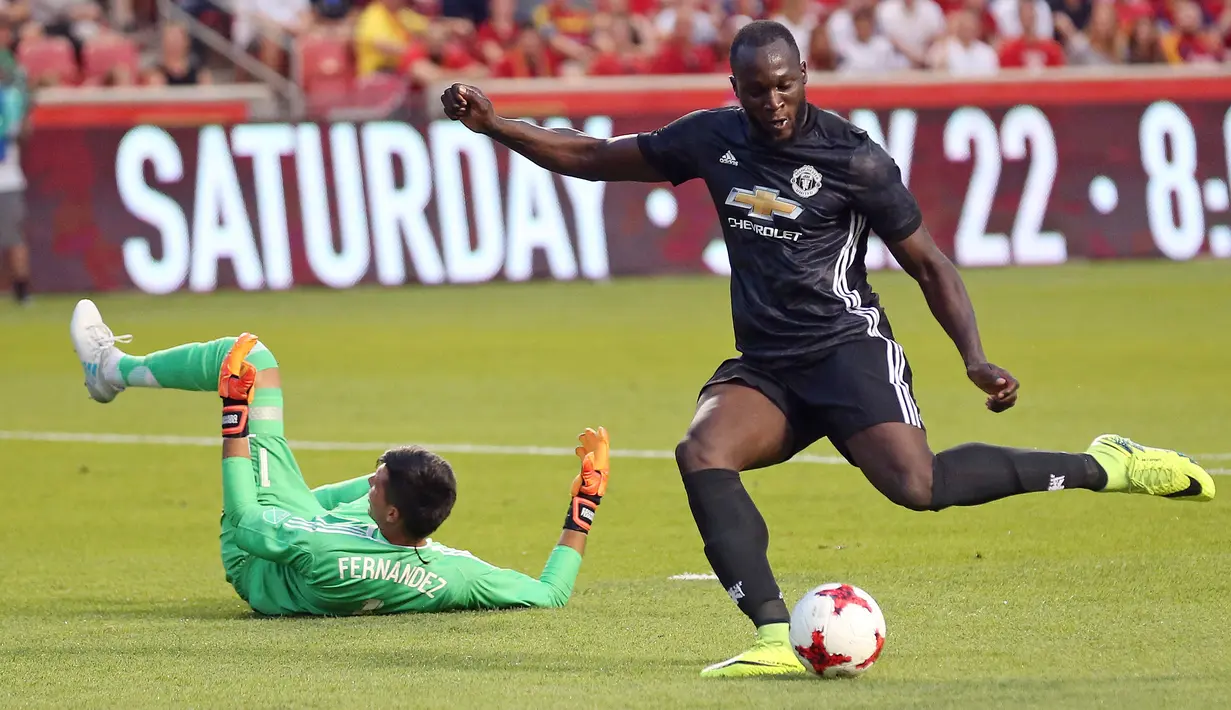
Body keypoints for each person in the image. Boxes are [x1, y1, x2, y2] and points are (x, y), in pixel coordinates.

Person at [439, 19, 1216, 678]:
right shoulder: (712, 138)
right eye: (755, 90)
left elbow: (928, 264)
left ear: (804, 75)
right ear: (734, 86)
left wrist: (973, 357)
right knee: (702, 451)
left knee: (919, 487)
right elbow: (591, 157)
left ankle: (1104, 464)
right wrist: (495, 125)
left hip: (846, 349)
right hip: (767, 365)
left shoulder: (856, 160)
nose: (772, 103)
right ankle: (773, 637)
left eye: (784, 85)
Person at [68, 299, 610, 617]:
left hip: (258, 557)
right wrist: (585, 502)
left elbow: (248, 525)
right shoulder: (452, 573)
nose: (370, 480)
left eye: (378, 482)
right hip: (313, 525)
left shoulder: (322, 550)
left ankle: (109, 370)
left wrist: (235, 413)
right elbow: (548, 595)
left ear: (393, 512)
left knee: (254, 359)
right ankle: (114, 372)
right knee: (326, 492)